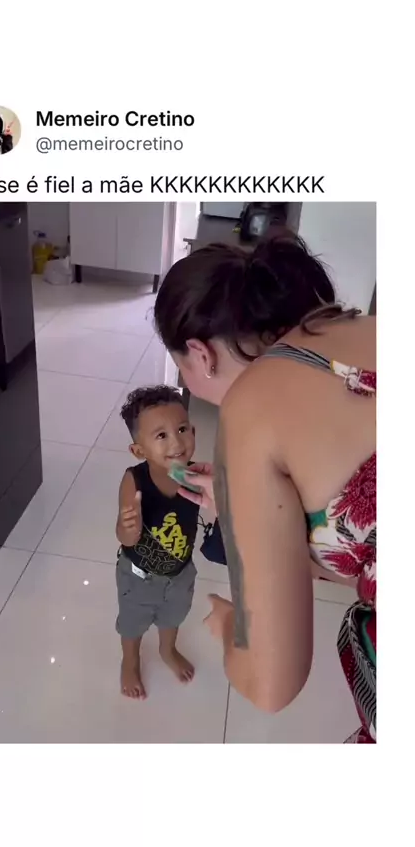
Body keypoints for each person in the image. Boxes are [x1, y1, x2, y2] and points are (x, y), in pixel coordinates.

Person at [153, 230, 376, 743]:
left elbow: (270, 686)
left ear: (200, 354)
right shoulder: (370, 326)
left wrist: (229, 625)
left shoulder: (251, 407)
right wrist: (265, 520)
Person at [115, 385, 200, 700]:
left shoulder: (196, 476)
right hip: (138, 576)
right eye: (161, 435)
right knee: (132, 624)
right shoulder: (134, 480)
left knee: (173, 615)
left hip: (180, 572)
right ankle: (130, 660)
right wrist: (130, 527)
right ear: (139, 451)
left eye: (182, 429)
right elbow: (124, 537)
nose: (176, 442)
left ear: (193, 431)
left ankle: (167, 649)